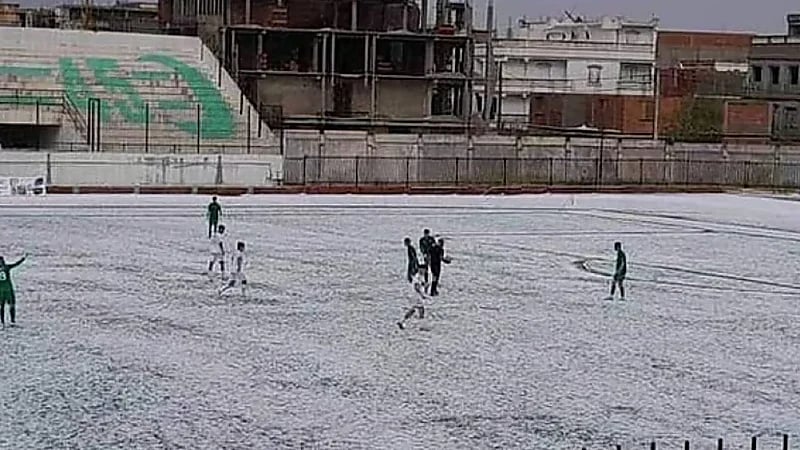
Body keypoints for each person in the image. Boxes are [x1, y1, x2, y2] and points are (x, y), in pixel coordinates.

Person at [0, 254, 27, 327]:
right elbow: (16, 264)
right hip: (8, 289)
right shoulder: (6, 267)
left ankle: (2, 322)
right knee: (11, 305)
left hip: (0, 290)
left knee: (1, 306)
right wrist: (23, 259)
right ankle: (12, 321)